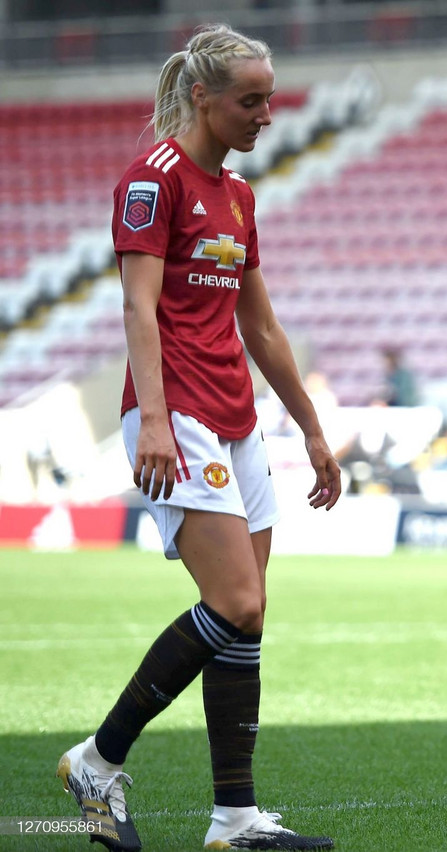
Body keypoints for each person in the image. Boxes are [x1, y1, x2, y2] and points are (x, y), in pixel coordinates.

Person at [56, 24, 340, 851]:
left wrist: (314, 431)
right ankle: (97, 763)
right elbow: (136, 308)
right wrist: (150, 416)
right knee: (237, 602)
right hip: (173, 411)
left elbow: (263, 324)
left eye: (269, 100)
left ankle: (233, 821)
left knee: (248, 621)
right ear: (203, 97)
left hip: (237, 417)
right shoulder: (154, 180)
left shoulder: (240, 197)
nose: (265, 116)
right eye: (250, 101)